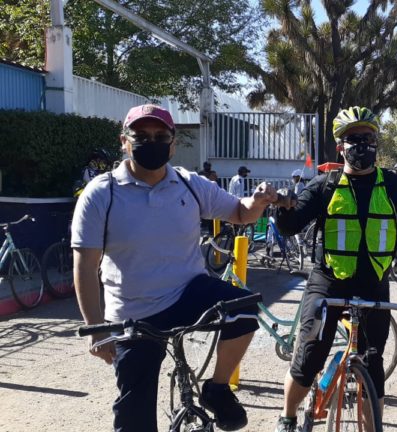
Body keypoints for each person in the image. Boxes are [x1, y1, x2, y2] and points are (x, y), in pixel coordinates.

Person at [71, 104, 277, 432]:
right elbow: (84, 266)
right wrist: (96, 328)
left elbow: (239, 212)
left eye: (159, 136)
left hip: (187, 292)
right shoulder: (102, 193)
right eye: (141, 136)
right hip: (133, 312)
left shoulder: (189, 184)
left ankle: (218, 388)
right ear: (124, 141)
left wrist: (259, 201)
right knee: (134, 421)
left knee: (245, 309)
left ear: (172, 142)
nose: (150, 142)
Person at [271, 106, 397, 432]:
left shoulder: (393, 185)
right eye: (354, 139)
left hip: (374, 284)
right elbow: (292, 224)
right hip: (329, 282)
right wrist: (283, 207)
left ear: (377, 142)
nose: (362, 145)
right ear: (341, 146)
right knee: (310, 356)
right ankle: (288, 416)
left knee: (372, 363)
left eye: (368, 138)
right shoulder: (325, 186)